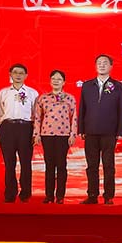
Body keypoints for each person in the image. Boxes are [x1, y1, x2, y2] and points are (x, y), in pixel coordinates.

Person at [78, 54, 122, 205]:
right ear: (95, 66)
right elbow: (82, 109)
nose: (102, 65)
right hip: (90, 131)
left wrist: (120, 131)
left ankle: (108, 196)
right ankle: (92, 195)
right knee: (92, 165)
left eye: (105, 63)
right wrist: (81, 129)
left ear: (111, 66)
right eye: (99, 63)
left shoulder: (118, 86)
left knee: (108, 165)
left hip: (109, 132)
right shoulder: (87, 85)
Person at [0, 63, 39, 203]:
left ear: (26, 76)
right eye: (15, 72)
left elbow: (37, 115)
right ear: (10, 74)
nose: (18, 75)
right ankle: (10, 193)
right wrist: (0, 131)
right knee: (9, 163)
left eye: (21, 73)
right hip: (8, 128)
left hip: (26, 128)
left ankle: (25, 193)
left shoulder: (32, 93)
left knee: (26, 163)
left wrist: (35, 133)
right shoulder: (4, 92)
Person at [33, 70, 77, 204]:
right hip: (47, 135)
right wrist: (36, 134)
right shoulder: (43, 98)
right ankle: (49, 195)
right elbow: (37, 117)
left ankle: (60, 196)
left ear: (64, 82)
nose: (56, 81)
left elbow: (74, 118)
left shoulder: (70, 98)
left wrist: (73, 134)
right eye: (53, 79)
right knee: (49, 166)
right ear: (50, 81)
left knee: (61, 165)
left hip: (63, 135)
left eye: (59, 79)